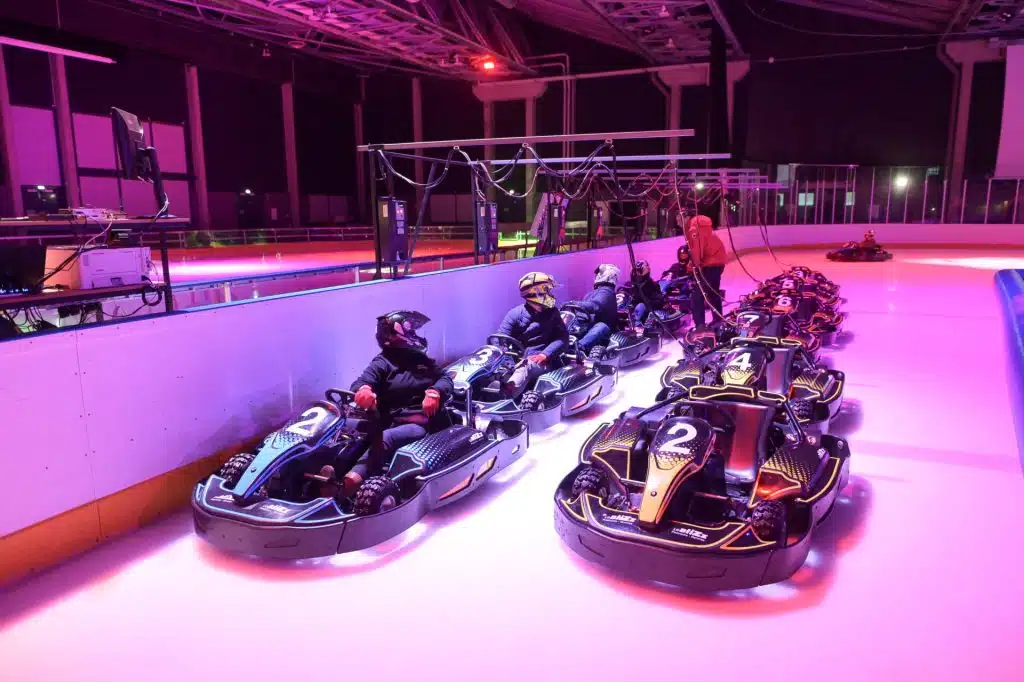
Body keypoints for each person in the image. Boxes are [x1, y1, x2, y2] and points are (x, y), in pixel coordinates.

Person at [345, 310, 454, 493]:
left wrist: (435, 392)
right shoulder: (383, 362)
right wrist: (363, 390)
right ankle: (330, 473)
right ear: (393, 335)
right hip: (388, 420)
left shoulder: (422, 360)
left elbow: (446, 378)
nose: (415, 335)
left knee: (386, 437)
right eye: (410, 330)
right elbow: (362, 381)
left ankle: (353, 481)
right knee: (348, 434)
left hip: (421, 423)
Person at [496, 272, 570, 394]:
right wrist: (507, 364)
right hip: (517, 360)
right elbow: (499, 341)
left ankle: (506, 397)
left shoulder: (553, 313)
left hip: (544, 361)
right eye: (547, 290)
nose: (550, 294)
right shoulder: (515, 314)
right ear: (536, 292)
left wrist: (545, 354)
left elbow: (563, 338)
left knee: (527, 366)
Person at [685, 214, 727, 328]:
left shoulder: (694, 229)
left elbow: (696, 251)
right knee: (713, 293)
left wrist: (691, 267)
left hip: (709, 265)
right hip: (718, 263)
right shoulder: (704, 227)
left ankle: (700, 326)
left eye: (680, 217)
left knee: (697, 296)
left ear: (687, 218)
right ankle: (718, 321)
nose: (678, 220)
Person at [575, 264, 620, 355]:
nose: (596, 276)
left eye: (599, 274)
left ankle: (579, 348)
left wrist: (575, 303)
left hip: (604, 331)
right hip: (588, 326)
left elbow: (596, 305)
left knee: (601, 326)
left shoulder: (607, 291)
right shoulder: (592, 293)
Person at [629, 260, 665, 328]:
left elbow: (659, 302)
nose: (636, 275)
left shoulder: (653, 285)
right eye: (635, 273)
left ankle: (636, 325)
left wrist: (646, 302)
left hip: (646, 312)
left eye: (638, 273)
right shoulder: (630, 286)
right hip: (632, 312)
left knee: (640, 306)